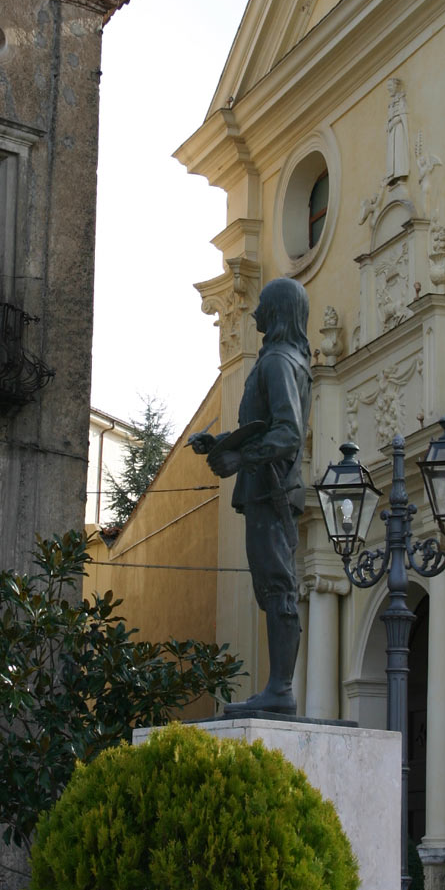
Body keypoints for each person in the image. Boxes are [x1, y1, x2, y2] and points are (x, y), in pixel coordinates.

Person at [189, 277, 312, 715]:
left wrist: (240, 460)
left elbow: (287, 432)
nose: (255, 310)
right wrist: (224, 445)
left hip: (270, 489)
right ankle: (278, 687)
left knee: (278, 587)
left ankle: (280, 690)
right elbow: (263, 427)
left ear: (276, 311)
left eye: (263, 304)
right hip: (268, 488)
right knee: (271, 587)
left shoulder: (279, 360)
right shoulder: (282, 360)